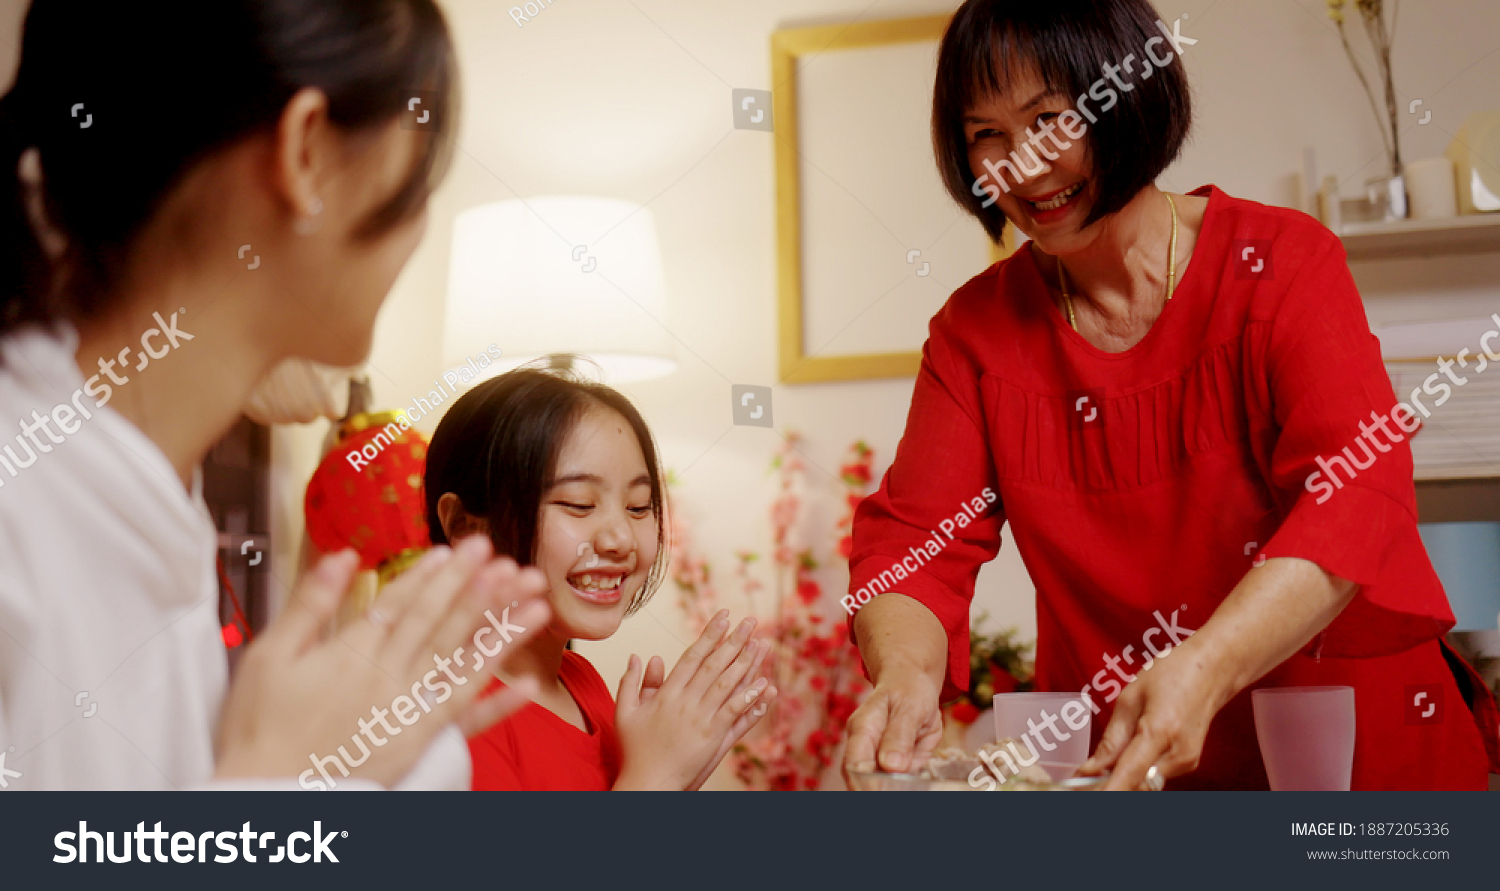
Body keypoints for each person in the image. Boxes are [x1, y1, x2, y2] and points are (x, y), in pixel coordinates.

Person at [842, 0, 1500, 791]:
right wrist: (907, 674)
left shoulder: (1283, 265)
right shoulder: (974, 335)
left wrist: (1208, 664)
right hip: (1135, 772)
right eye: (987, 135)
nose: (1022, 164)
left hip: (1360, 769)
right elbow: (916, 546)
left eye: (1050, 120)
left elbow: (1355, 496)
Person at [0, 0, 551, 790]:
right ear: (307, 155)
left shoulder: (157, 500)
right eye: (422, 174)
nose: (422, 223)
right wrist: (271, 783)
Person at [424, 366, 778, 790]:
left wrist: (676, 760)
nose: (620, 539)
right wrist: (658, 775)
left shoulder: (580, 681)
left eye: (638, 506)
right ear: (466, 526)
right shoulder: (436, 714)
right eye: (578, 504)